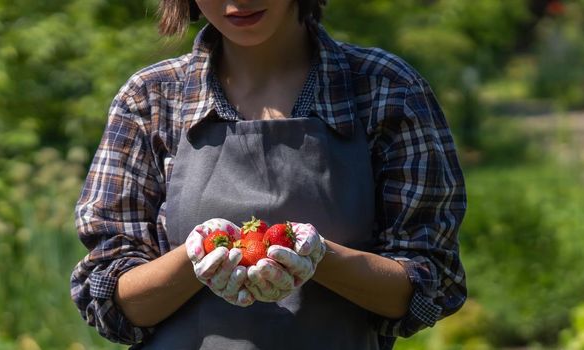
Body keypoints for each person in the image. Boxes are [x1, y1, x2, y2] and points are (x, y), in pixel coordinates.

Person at [70, 0, 467, 349]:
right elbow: (110, 300)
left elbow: (429, 287)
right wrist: (194, 262)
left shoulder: (386, 89)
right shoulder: (149, 99)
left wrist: (320, 258)